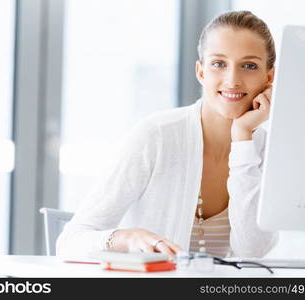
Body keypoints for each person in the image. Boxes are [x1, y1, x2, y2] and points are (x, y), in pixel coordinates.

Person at [56, 10, 279, 261]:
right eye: (219, 64)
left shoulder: (269, 152)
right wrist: (124, 238)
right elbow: (70, 242)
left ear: (268, 77)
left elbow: (253, 251)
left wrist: (243, 138)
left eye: (249, 66)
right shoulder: (157, 137)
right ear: (201, 72)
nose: (232, 80)